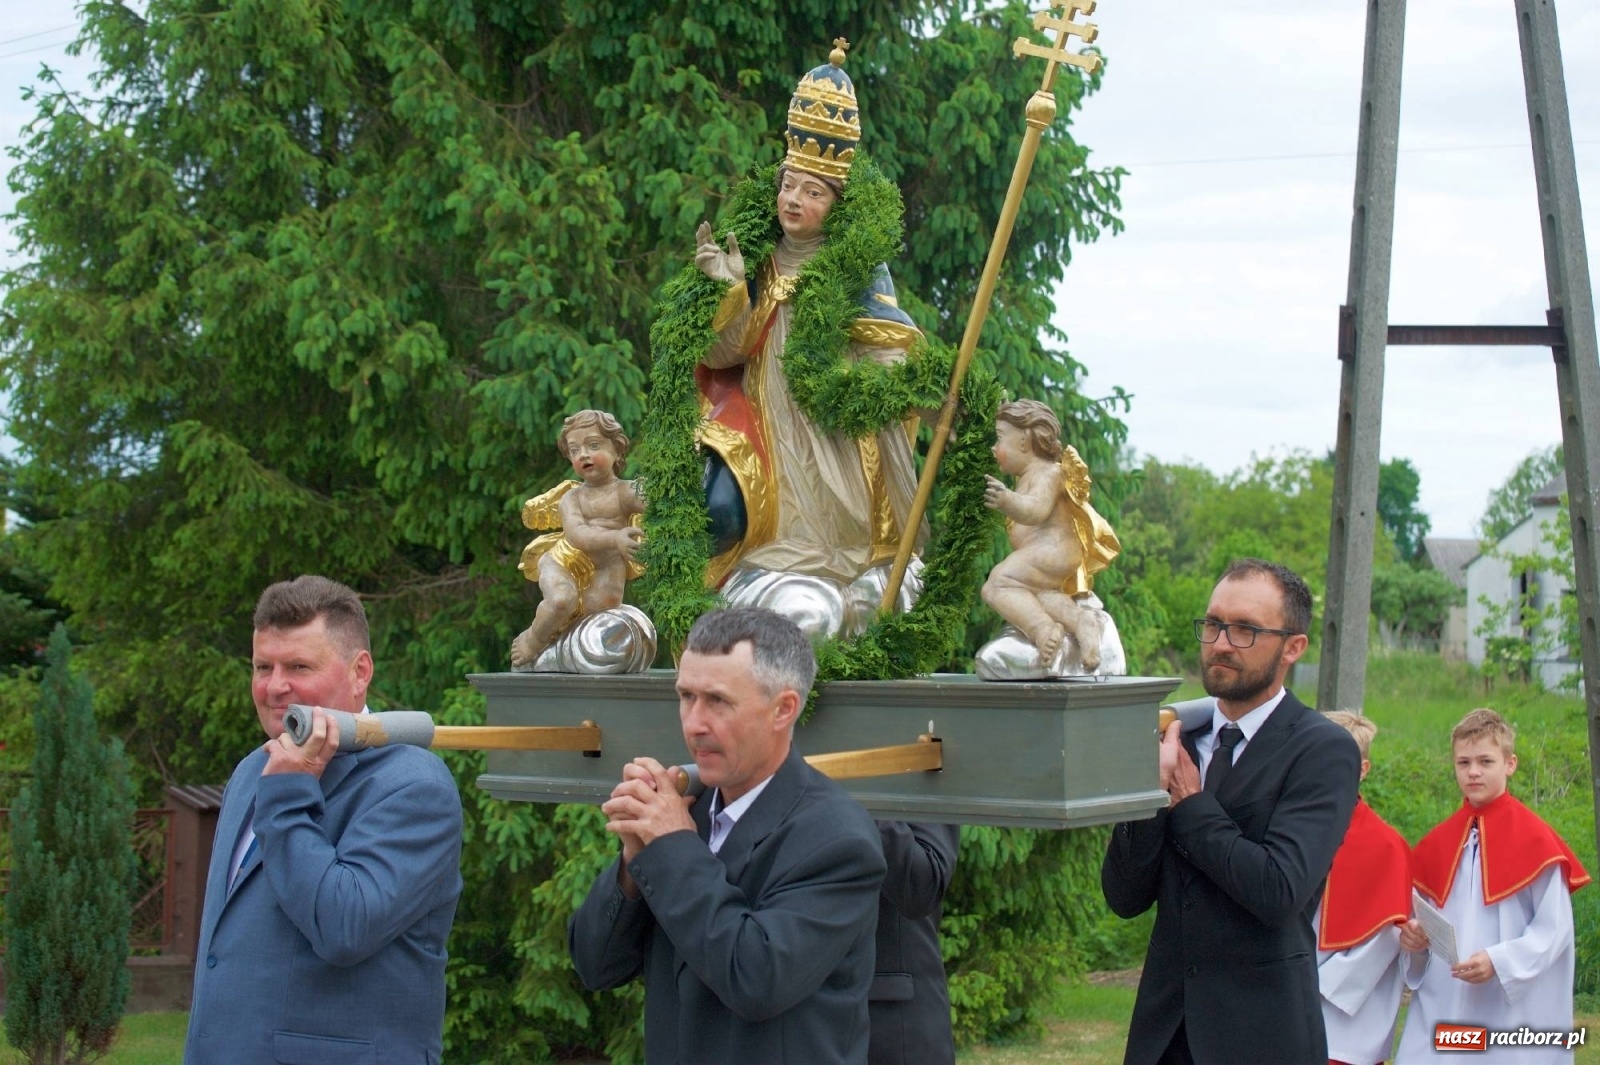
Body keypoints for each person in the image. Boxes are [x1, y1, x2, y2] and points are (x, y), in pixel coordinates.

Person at [567, 605, 887, 1063]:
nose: (694, 723)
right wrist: (633, 861)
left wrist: (672, 847)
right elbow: (594, 965)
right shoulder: (685, 811)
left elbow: (756, 979)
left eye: (718, 701)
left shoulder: (838, 839)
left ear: (783, 709)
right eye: (685, 696)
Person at [184, 575, 464, 1065]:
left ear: (360, 673)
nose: (274, 687)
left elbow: (344, 928)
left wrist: (291, 792)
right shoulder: (254, 770)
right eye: (262, 666)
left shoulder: (414, 785)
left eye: (298, 666)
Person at [690, 41, 928, 605]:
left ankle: (843, 587)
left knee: (843, 523)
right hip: (770, 423)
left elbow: (889, 345)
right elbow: (725, 355)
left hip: (835, 429)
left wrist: (899, 385)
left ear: (837, 202)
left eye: (812, 191)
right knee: (727, 510)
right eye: (788, 185)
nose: (793, 200)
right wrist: (729, 290)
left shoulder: (857, 266)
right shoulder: (759, 257)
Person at [1099, 558, 1362, 1065]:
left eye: (1245, 630)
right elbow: (1124, 896)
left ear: (1293, 647)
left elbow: (1279, 890)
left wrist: (1192, 805)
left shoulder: (1322, 749)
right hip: (1163, 1035)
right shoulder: (1178, 736)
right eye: (1214, 624)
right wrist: (1149, 801)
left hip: (1261, 1033)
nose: (1221, 642)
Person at [1395, 709, 1591, 1063]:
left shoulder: (1536, 841)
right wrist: (1414, 940)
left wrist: (1499, 962)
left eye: (1486, 761)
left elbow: (1554, 931)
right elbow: (1421, 919)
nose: (1473, 771)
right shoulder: (1437, 843)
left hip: (1509, 1005)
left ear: (1510, 763)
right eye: (1463, 762)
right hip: (1448, 999)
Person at [981, 398, 1120, 669]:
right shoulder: (1028, 477)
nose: (994, 448)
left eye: (999, 439)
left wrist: (1006, 500)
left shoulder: (1047, 473)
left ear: (1024, 440)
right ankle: (1082, 623)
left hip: (1053, 549)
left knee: (997, 584)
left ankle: (1043, 630)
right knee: (1040, 595)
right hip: (1047, 555)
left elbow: (1035, 509)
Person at [511, 409, 646, 669]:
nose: (582, 454)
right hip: (565, 559)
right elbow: (578, 535)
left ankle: (563, 647)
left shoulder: (625, 492)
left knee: (602, 613)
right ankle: (533, 640)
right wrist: (617, 537)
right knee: (562, 599)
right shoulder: (572, 498)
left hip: (607, 565)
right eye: (574, 450)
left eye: (593, 445)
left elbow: (661, 504)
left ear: (617, 450)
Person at [1315, 711, 1410, 1065]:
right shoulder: (1286, 825)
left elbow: (1387, 936)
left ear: (1363, 769)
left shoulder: (1386, 845)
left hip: (1345, 1019)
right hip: (1282, 1001)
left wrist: (1313, 986)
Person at [869, 821, 960, 1065]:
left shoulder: (913, 782)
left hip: (889, 1027)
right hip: (788, 1020)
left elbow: (922, 885)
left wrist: (856, 793)